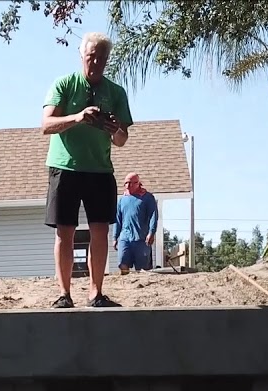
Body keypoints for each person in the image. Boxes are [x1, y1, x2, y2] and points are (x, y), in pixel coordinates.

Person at [41, 31, 133, 309]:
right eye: (91, 57)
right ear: (82, 55)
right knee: (65, 232)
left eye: (101, 58)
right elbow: (46, 125)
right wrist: (79, 117)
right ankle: (64, 293)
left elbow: (122, 139)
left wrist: (114, 128)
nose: (95, 63)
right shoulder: (64, 84)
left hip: (99, 170)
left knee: (100, 231)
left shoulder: (115, 92)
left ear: (107, 60)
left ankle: (96, 292)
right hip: (64, 167)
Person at [114, 172, 159, 274]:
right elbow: (118, 220)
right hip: (125, 238)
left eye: (130, 183)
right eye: (126, 183)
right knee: (122, 264)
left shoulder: (147, 198)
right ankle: (125, 282)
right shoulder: (122, 200)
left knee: (142, 269)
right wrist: (115, 237)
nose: (128, 186)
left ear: (138, 183)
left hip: (141, 239)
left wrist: (151, 232)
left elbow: (153, 216)